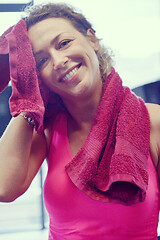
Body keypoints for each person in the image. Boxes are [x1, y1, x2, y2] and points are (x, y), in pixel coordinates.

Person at [0, 2, 160, 240]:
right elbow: (4, 187)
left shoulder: (152, 120)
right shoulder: (47, 129)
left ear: (92, 40)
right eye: (41, 60)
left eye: (64, 43)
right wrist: (26, 99)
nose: (58, 61)